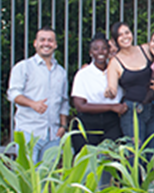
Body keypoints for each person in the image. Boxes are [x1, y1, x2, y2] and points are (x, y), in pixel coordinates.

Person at [7, 27, 69, 162]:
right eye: (42, 40)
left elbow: (64, 101)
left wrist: (63, 125)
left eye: (50, 40)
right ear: (35, 43)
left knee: (46, 179)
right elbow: (13, 93)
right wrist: (32, 104)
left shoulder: (61, 72)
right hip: (29, 131)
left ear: (55, 45)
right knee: (28, 177)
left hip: (53, 135)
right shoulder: (23, 67)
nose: (46, 44)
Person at [71, 33, 127, 154]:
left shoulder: (115, 71)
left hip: (112, 123)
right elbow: (80, 106)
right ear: (91, 53)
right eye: (96, 49)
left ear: (109, 52)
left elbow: (123, 95)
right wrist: (111, 107)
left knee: (110, 160)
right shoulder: (83, 74)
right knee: (88, 161)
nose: (100, 52)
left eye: (104, 48)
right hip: (88, 123)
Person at [106, 21, 154, 146]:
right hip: (131, 111)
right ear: (115, 40)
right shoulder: (114, 62)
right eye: (120, 35)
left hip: (152, 107)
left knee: (153, 150)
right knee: (135, 153)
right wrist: (109, 92)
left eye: (127, 32)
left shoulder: (145, 49)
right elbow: (112, 88)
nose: (125, 37)